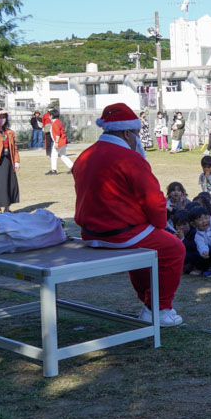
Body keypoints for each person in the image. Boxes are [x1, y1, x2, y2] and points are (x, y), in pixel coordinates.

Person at [73, 103, 186, 327]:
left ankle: (149, 303)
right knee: (174, 248)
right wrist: (161, 225)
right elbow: (154, 201)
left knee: (146, 247)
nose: (137, 139)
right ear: (127, 132)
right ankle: (160, 307)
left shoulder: (85, 155)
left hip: (90, 232)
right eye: (136, 133)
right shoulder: (130, 158)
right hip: (120, 233)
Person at [46, 110, 74, 175]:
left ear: (52, 116)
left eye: (49, 115)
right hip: (63, 141)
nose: (49, 116)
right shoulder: (58, 122)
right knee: (63, 156)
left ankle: (53, 170)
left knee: (53, 156)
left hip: (59, 142)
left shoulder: (55, 123)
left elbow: (57, 134)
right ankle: (73, 168)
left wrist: (56, 142)